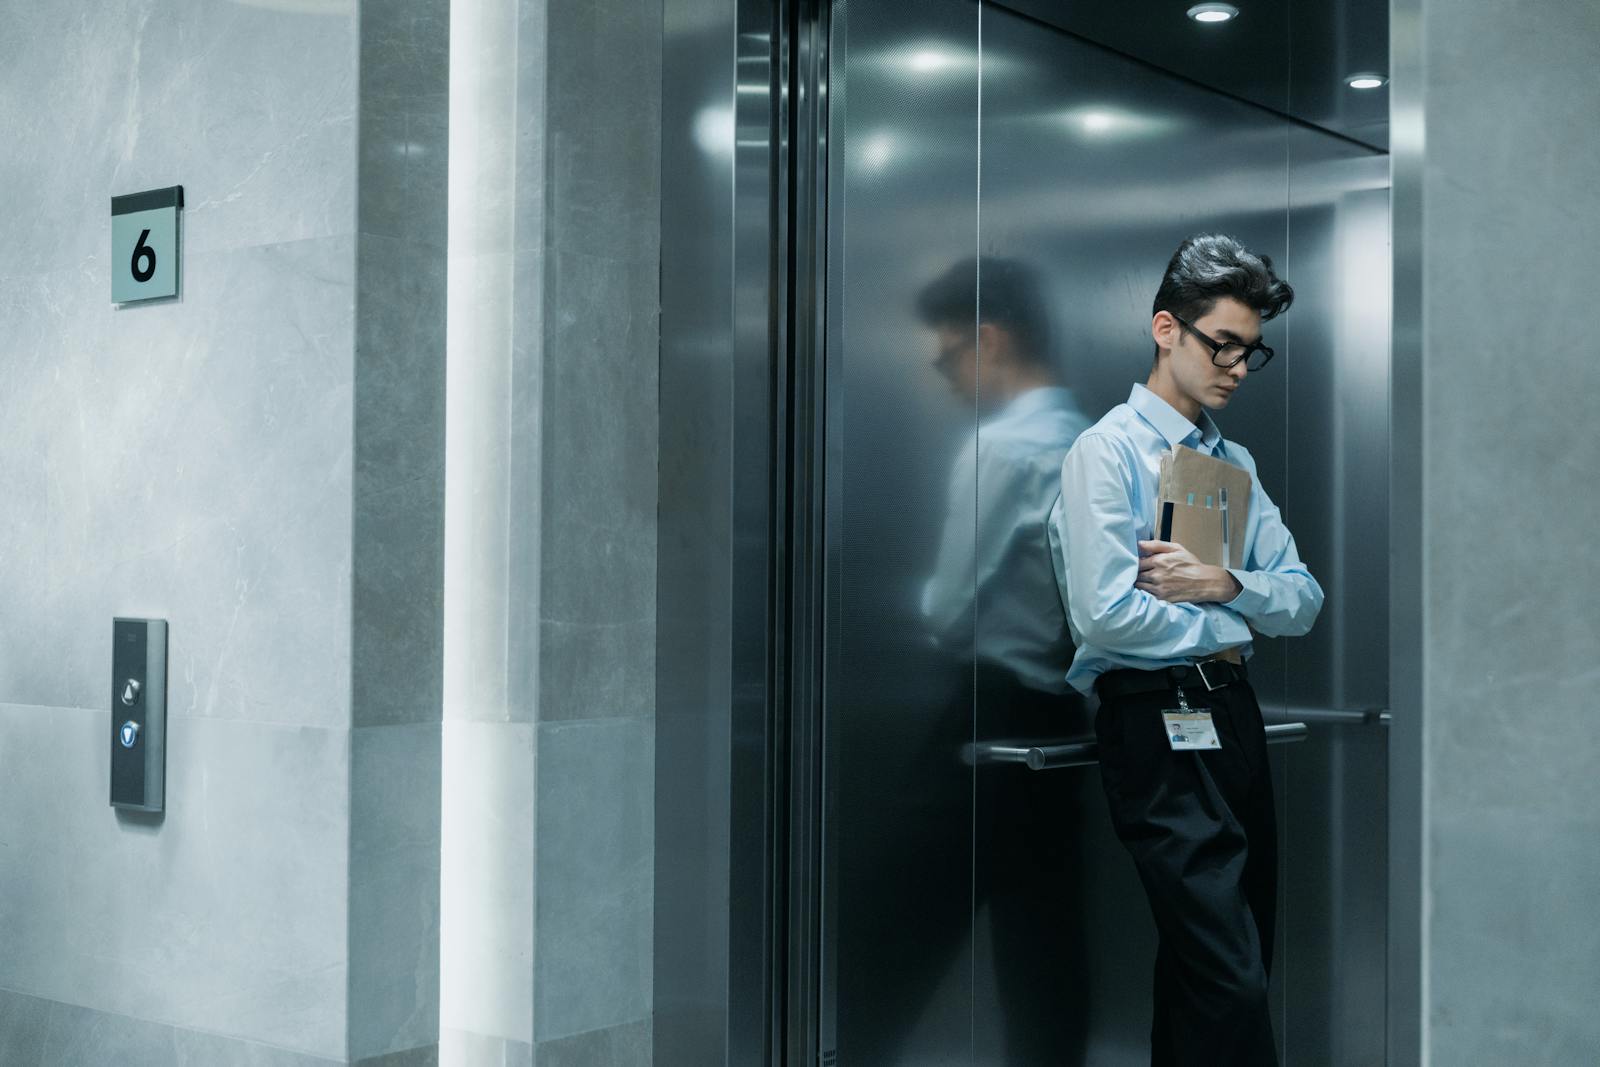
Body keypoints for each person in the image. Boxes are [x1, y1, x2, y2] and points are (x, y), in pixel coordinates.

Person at [1053, 234, 1324, 1066]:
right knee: (1227, 976)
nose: (1237, 368)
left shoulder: (1231, 462)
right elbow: (1106, 615)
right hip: (1154, 722)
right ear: (1166, 328)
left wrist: (1221, 585)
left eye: (1252, 351)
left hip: (1230, 716)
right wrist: (1238, 615)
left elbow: (1303, 598)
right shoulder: (1107, 452)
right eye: (1223, 345)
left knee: (1222, 966)